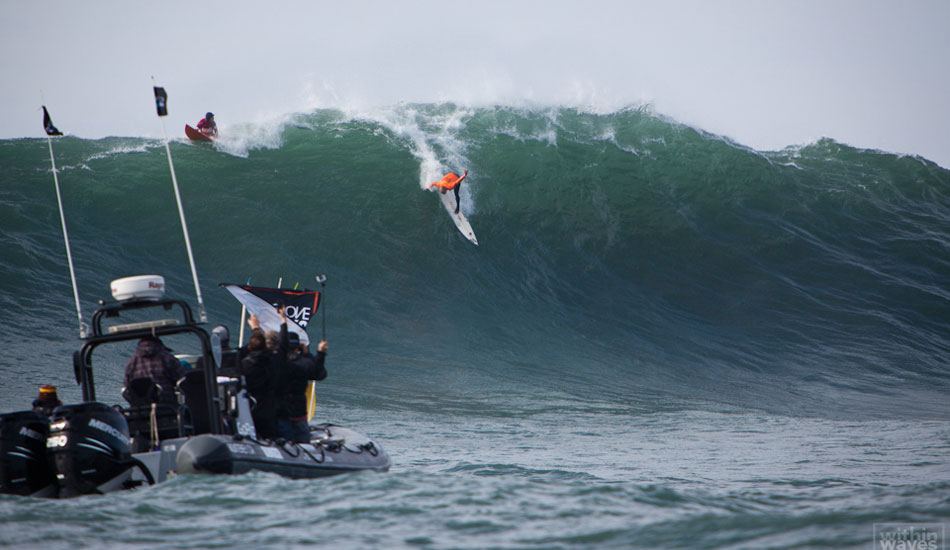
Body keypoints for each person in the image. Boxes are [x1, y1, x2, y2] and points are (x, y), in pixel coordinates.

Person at [239, 309, 290, 440]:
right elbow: (284, 341)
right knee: (270, 434)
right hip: (271, 405)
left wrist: (256, 327)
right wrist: (283, 320)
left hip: (252, 404)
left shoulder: (247, 363)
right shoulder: (279, 358)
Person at [276, 334, 328, 443]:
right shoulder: (304, 363)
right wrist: (318, 353)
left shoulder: (275, 363)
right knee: (303, 444)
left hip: (279, 412)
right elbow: (319, 374)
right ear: (298, 347)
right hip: (297, 412)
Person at [123, 337, 186, 407]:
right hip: (166, 404)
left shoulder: (131, 362)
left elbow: (126, 386)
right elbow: (181, 379)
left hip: (139, 407)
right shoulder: (167, 357)